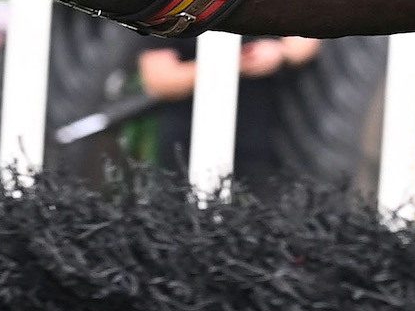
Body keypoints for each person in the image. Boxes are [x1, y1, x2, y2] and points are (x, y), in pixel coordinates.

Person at [136, 34, 322, 194]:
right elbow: (159, 80)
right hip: (187, 143)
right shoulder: (182, 10)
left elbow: (306, 39)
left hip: (272, 141)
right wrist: (231, 63)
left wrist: (280, 52)